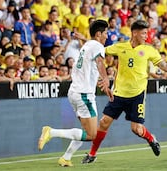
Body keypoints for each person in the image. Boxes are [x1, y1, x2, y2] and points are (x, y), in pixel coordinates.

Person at [82, 20, 167, 163]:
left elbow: (164, 66)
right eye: (144, 33)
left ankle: (151, 139)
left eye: (147, 33)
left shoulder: (149, 50)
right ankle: (92, 155)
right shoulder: (120, 47)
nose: (146, 36)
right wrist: (86, 41)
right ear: (134, 33)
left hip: (137, 95)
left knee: (136, 129)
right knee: (103, 123)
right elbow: (99, 49)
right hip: (119, 93)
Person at [37, 20, 113, 167]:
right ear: (99, 34)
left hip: (75, 91)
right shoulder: (97, 46)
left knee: (84, 130)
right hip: (84, 94)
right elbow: (99, 62)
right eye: (105, 33)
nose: (107, 36)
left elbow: (92, 55)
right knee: (91, 134)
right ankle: (51, 132)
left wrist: (83, 38)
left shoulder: (88, 45)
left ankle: (66, 157)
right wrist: (106, 79)